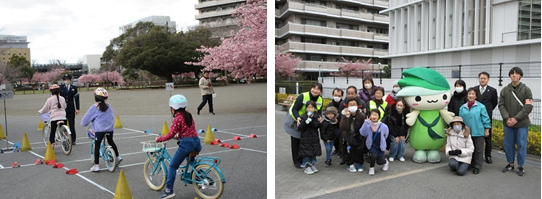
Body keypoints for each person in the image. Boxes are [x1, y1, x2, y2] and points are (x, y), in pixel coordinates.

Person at [156, 94, 202, 198]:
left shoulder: (178, 118)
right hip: (196, 142)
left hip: (187, 145)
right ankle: (200, 178)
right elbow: (189, 129)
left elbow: (170, 134)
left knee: (172, 166)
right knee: (191, 160)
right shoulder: (188, 115)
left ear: (173, 108)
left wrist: (159, 139)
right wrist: (180, 135)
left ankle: (169, 190)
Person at [498, 67, 533, 176]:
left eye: (516, 74)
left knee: (522, 144)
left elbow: (528, 106)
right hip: (508, 123)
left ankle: (521, 165)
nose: (514, 75)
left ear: (520, 76)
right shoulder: (505, 90)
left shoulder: (526, 90)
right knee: (508, 144)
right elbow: (501, 105)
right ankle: (510, 163)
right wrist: (507, 118)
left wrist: (516, 118)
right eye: (512, 74)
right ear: (509, 76)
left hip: (521, 123)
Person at [283, 82, 323, 169]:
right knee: (296, 139)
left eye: (318, 89)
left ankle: (303, 158)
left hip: (306, 120)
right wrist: (297, 118)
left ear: (320, 91)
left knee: (304, 139)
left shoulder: (320, 99)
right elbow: (294, 109)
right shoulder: (303, 96)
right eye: (314, 88)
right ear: (311, 88)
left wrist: (319, 117)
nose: (315, 90)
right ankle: (297, 161)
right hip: (295, 118)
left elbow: (319, 111)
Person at [81, 88, 122, 172]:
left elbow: (86, 119)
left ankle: (96, 165)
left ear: (95, 97)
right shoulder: (109, 106)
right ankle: (117, 157)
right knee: (111, 141)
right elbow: (111, 116)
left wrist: (84, 124)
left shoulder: (94, 107)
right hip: (109, 129)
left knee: (97, 145)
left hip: (100, 130)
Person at [459, 88, 491, 175]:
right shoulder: (463, 107)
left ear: (476, 96)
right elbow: (460, 120)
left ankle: (477, 166)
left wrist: (487, 129)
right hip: (467, 132)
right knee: (469, 149)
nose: (471, 95)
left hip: (478, 132)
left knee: (478, 150)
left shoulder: (481, 107)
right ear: (467, 95)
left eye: (473, 94)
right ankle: (470, 164)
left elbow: (486, 118)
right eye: (469, 94)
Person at [471, 72, 499, 164]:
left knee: (487, 137)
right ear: (478, 79)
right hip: (475, 117)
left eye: (485, 78)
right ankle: (473, 155)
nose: (482, 80)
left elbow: (494, 103)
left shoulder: (492, 90)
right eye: (481, 78)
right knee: (474, 136)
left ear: (488, 80)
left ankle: (488, 156)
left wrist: (487, 111)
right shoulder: (473, 90)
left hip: (487, 116)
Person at [340, 97, 366, 173]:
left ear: (357, 105)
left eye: (354, 104)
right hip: (348, 136)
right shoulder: (344, 115)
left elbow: (364, 127)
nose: (352, 106)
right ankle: (350, 164)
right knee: (350, 150)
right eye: (350, 105)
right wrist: (346, 117)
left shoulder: (362, 115)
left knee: (360, 150)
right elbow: (343, 128)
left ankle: (359, 163)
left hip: (358, 136)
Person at [360, 109, 389, 176]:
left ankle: (385, 162)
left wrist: (382, 142)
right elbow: (362, 133)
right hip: (372, 145)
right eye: (372, 114)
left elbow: (386, 135)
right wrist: (366, 123)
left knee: (379, 162)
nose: (374, 116)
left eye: (375, 115)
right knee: (373, 156)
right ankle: (371, 168)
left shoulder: (383, 126)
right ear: (369, 116)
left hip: (380, 145)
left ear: (379, 116)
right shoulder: (368, 124)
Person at [298, 101, 322, 175]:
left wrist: (315, 121)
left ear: (314, 108)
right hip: (305, 138)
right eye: (308, 107)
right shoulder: (303, 116)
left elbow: (317, 126)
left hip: (314, 137)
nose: (310, 109)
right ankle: (306, 166)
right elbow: (301, 128)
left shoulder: (316, 116)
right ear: (306, 108)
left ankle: (312, 165)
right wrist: (305, 122)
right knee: (306, 152)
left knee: (313, 152)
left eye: (311, 107)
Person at [60, 73, 80, 145]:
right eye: (65, 79)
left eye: (68, 79)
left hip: (71, 108)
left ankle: (73, 139)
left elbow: (76, 98)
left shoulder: (74, 88)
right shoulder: (60, 87)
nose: (66, 81)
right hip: (62, 109)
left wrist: (77, 108)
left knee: (72, 124)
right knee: (63, 124)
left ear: (70, 80)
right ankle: (64, 138)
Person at [325, 88, 343, 157]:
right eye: (335, 95)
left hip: (341, 125)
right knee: (334, 138)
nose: (337, 97)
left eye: (339, 95)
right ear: (332, 95)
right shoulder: (329, 105)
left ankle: (341, 151)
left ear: (342, 96)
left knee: (340, 137)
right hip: (331, 125)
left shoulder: (343, 104)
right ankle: (337, 149)